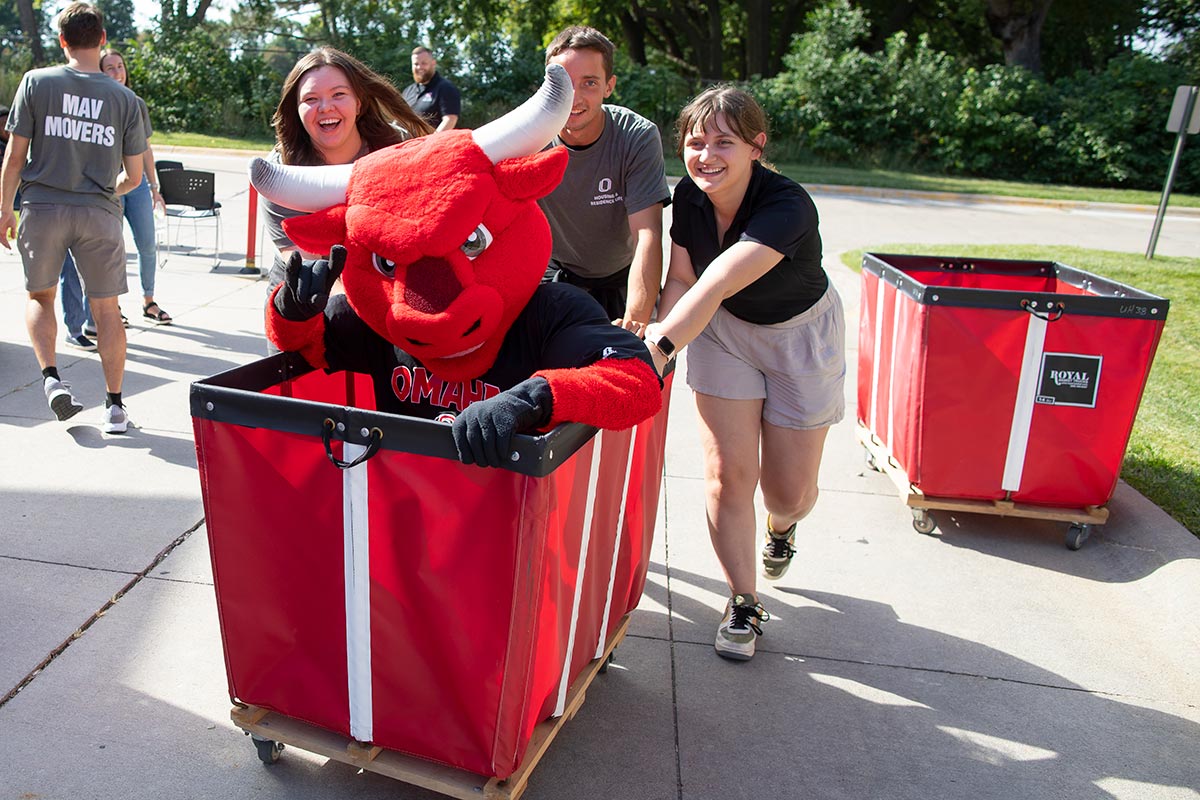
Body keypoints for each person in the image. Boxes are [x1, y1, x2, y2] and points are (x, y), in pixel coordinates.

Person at [643, 86, 846, 661]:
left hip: (797, 337)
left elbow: (717, 281)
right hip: (722, 332)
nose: (706, 154)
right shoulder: (690, 194)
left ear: (757, 146)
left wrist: (657, 349)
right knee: (727, 477)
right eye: (695, 141)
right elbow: (683, 279)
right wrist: (659, 342)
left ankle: (782, 528)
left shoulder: (787, 204)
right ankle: (744, 600)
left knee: (787, 491)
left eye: (723, 142)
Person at [0, 2, 146, 434]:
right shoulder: (126, 99)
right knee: (107, 310)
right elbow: (134, 177)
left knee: (40, 297)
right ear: (102, 40)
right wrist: (103, 190)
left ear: (62, 40)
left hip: (42, 208)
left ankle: (51, 380)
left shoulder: (35, 82)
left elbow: (14, 155)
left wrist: (4, 206)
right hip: (98, 213)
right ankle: (115, 407)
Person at [262, 46, 433, 351]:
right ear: (297, 111)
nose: (325, 107)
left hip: (386, 291)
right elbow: (306, 263)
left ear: (359, 102)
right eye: (310, 100)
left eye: (339, 94)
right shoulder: (278, 172)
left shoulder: (397, 149)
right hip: (306, 297)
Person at [537, 25, 670, 332]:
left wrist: (636, 318)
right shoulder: (529, 138)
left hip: (621, 277)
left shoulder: (636, 136)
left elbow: (647, 235)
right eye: (564, 84)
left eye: (589, 83)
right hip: (559, 274)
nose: (575, 97)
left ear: (609, 86)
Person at [60, 46, 167, 352]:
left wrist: (153, 185)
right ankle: (103, 312)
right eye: (110, 67)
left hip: (133, 184)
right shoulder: (91, 100)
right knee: (104, 251)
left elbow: (145, 148)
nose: (116, 72)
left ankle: (146, 301)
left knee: (145, 245)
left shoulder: (135, 103)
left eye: (120, 66)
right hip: (101, 186)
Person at [402, 46, 461, 131]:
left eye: (424, 63)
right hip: (411, 143)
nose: (419, 67)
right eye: (416, 64)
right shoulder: (408, 91)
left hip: (436, 142)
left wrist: (430, 143)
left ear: (433, 63)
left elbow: (450, 120)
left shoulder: (446, 88)